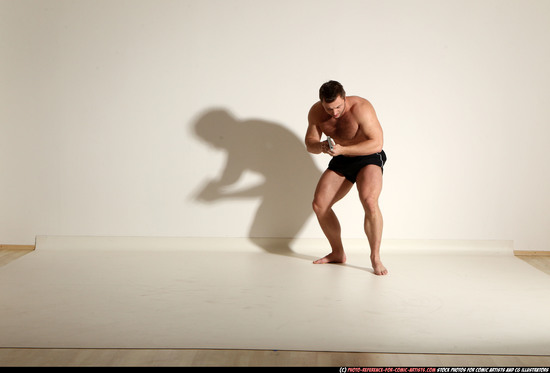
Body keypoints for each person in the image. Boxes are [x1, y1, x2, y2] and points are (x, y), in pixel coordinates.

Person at [305, 80, 388, 275]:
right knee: (319, 205)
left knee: (369, 202)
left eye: (338, 107)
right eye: (329, 108)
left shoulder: (361, 107)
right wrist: (321, 147)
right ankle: (337, 252)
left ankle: (375, 257)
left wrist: (344, 149)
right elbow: (310, 143)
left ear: (344, 97)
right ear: (321, 103)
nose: (334, 112)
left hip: (368, 156)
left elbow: (377, 143)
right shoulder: (316, 112)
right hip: (341, 158)